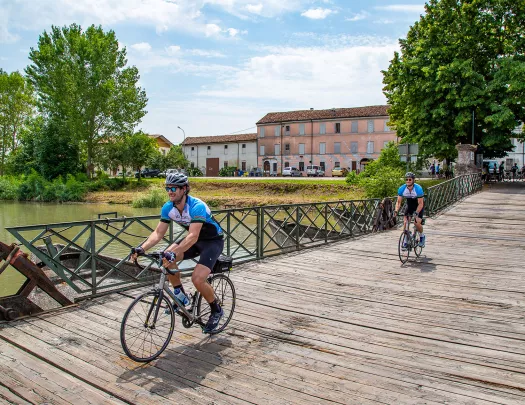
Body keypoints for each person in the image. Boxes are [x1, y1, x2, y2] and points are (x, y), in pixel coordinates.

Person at [131, 172, 225, 333]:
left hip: (212, 241)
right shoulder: (168, 207)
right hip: (192, 240)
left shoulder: (197, 206)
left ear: (184, 189)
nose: (170, 191)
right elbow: (158, 233)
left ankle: (216, 309)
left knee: (197, 278)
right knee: (166, 257)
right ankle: (181, 295)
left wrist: (175, 252)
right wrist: (142, 248)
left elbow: (193, 236)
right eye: (167, 188)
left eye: (174, 188)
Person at [394, 172, 425, 247]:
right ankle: (405, 240)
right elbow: (398, 202)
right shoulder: (402, 188)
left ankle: (422, 236)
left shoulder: (418, 188)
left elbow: (421, 203)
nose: (408, 181)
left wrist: (417, 212)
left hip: (418, 205)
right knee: (405, 223)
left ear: (413, 180)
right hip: (409, 204)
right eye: (406, 179)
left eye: (410, 179)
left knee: (416, 223)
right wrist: (396, 211)